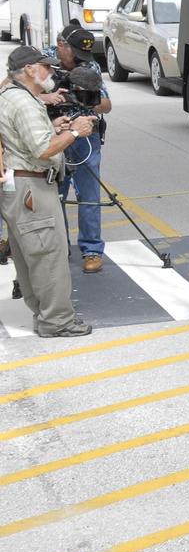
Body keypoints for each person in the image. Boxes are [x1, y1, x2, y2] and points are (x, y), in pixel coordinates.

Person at [0, 46, 95, 337]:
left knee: (30, 256)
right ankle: (57, 321)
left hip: (18, 187)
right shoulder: (26, 102)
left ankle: (44, 315)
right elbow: (42, 150)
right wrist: (75, 131)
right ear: (29, 70)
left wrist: (53, 127)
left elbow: (23, 138)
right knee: (48, 255)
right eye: (46, 67)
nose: (52, 72)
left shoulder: (10, 95)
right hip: (32, 186)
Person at [44, 25, 110, 274]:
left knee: (89, 195)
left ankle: (92, 250)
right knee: (54, 195)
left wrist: (88, 99)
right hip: (53, 134)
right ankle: (59, 247)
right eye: (75, 54)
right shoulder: (44, 62)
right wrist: (47, 97)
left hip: (85, 137)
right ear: (61, 45)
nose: (81, 61)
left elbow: (107, 105)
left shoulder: (89, 65)